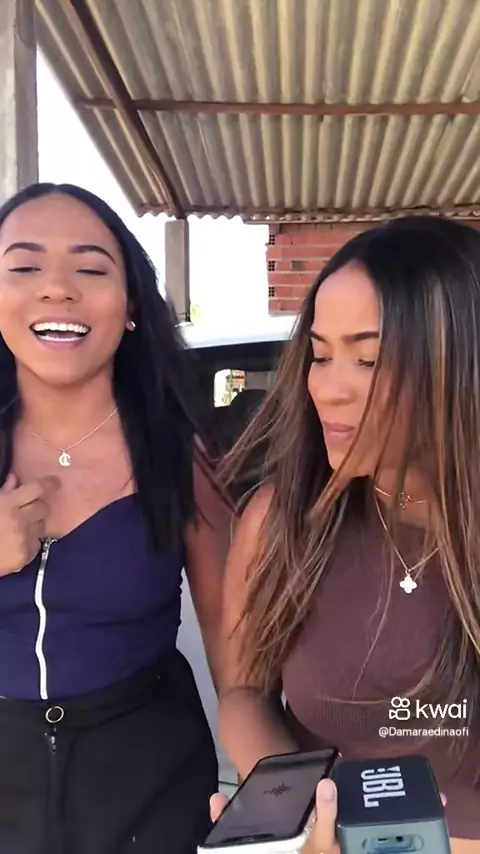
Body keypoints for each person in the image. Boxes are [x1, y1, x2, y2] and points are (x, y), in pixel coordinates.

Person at [216, 216, 480, 854]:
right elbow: (245, 693)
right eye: (320, 354)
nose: (328, 390)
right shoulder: (279, 521)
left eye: (368, 358)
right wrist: (304, 814)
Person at [0, 182, 231, 853]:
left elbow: (240, 667)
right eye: (24, 266)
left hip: (149, 793)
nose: (56, 289)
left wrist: (278, 790)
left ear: (130, 304)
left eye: (91, 269)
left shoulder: (182, 456)